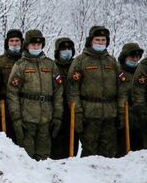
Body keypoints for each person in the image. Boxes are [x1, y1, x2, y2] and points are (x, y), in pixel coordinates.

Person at [68, 26, 126, 157]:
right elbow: (73, 90)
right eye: (97, 40)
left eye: (103, 40)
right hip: (89, 114)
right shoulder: (81, 61)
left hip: (110, 114)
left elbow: (121, 89)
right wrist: (77, 112)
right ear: (90, 41)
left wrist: (121, 111)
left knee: (109, 151)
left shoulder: (112, 62)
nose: (100, 43)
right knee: (90, 151)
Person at [7, 30, 63, 160]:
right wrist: (16, 118)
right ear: (26, 46)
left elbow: (58, 91)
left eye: (38, 45)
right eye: (33, 45)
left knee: (44, 154)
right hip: (27, 117)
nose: (36, 47)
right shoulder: (21, 65)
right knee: (27, 155)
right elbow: (12, 93)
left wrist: (57, 116)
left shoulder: (50, 64)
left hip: (46, 118)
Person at [0, 29, 24, 142]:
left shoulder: (26, 60)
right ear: (7, 43)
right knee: (8, 138)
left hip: (25, 106)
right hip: (5, 107)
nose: (14, 44)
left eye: (17, 41)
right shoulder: (1, 61)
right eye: (11, 41)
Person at [51, 37, 79, 159]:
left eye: (69, 49)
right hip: (57, 110)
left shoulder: (77, 66)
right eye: (63, 49)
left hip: (73, 110)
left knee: (72, 144)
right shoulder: (52, 66)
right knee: (57, 144)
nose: (66, 52)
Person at [117, 43, 144, 154]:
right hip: (123, 118)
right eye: (132, 56)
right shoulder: (118, 72)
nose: (135, 59)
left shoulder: (142, 73)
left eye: (137, 56)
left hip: (140, 119)